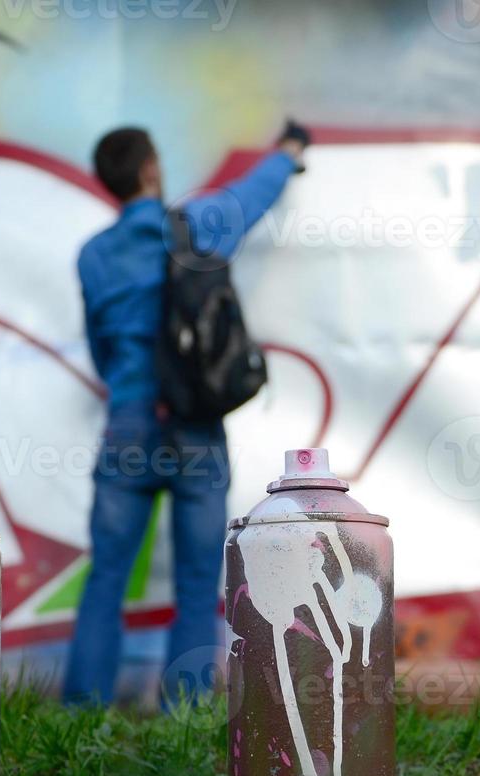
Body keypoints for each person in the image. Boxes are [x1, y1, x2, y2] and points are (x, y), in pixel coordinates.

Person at [63, 122, 311, 705]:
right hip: (196, 429)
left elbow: (101, 350)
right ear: (151, 170)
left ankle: (79, 713)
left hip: (128, 426)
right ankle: (186, 714)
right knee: (199, 585)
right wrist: (287, 153)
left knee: (106, 579)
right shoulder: (196, 227)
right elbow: (254, 196)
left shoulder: (94, 256)